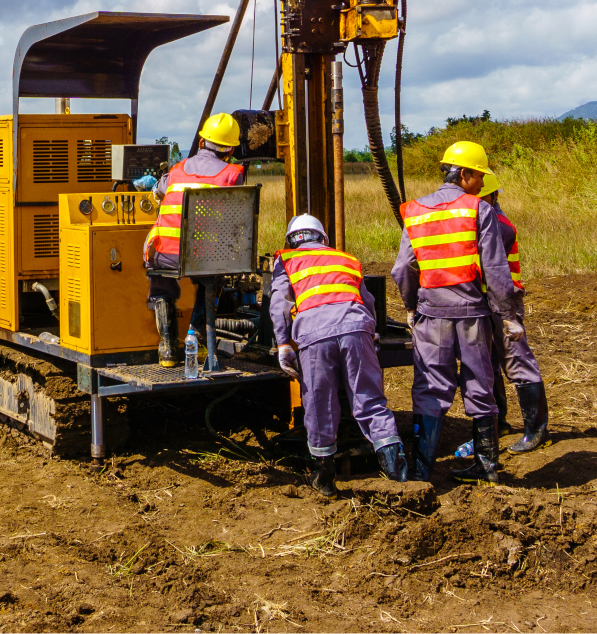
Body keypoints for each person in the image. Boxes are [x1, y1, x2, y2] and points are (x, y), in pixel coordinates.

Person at [389, 140, 521, 483]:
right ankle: (487, 466)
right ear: (463, 174)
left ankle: (421, 468)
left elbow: (403, 268)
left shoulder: (415, 210)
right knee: (480, 385)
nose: (482, 184)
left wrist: (410, 306)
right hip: (473, 315)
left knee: (430, 388)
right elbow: (495, 268)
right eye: (479, 176)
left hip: (431, 314)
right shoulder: (479, 210)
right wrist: (509, 314)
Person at [270, 213, 407, 495]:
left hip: (314, 333)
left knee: (319, 403)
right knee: (370, 399)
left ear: (292, 240)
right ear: (323, 238)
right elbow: (366, 300)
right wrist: (372, 333)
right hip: (357, 328)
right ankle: (397, 474)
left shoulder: (286, 259)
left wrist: (283, 343)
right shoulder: (346, 258)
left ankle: (324, 479)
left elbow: (279, 303)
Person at [140, 113, 246, 365]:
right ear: (230, 150)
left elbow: (158, 190)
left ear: (201, 143)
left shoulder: (176, 171)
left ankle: (167, 348)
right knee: (213, 276)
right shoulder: (233, 175)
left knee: (160, 280)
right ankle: (196, 336)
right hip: (205, 258)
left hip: (164, 253)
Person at [480, 171, 550, 453]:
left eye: (480, 197)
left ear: (493, 196)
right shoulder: (484, 219)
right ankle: (502, 422)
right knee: (488, 362)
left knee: (516, 361)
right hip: (485, 299)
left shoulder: (498, 225)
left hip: (502, 301)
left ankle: (536, 430)